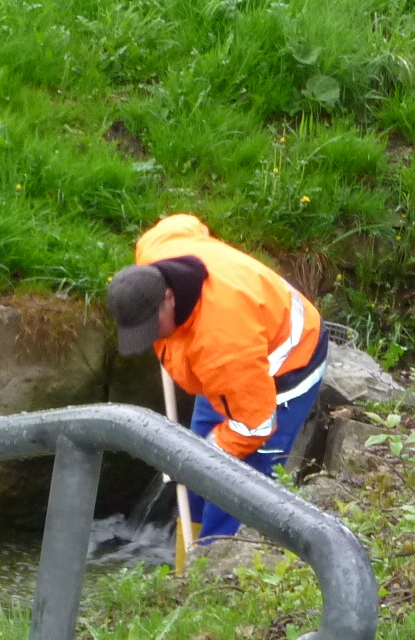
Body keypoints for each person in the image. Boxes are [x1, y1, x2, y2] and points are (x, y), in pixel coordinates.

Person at [107, 213, 328, 543]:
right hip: (230, 367)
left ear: (169, 297)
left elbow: (254, 424)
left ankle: (219, 570)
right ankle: (186, 568)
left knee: (235, 488)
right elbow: (182, 223)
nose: (150, 339)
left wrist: (207, 452)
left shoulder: (222, 342)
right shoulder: (156, 252)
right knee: (194, 478)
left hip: (286, 364)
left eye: (152, 328)